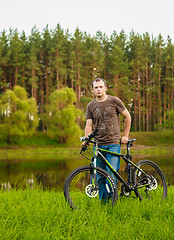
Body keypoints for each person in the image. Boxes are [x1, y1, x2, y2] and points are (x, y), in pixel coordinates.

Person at [82, 78, 131, 200]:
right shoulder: (90, 106)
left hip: (113, 143)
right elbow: (88, 125)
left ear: (105, 88)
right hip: (98, 145)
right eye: (96, 87)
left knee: (111, 174)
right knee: (99, 176)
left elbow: (128, 117)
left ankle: (113, 201)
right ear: (93, 90)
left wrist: (125, 135)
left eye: (100, 87)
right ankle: (104, 203)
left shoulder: (114, 101)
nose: (98, 89)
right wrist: (87, 140)